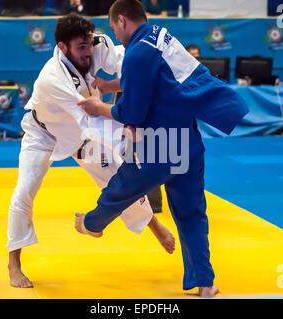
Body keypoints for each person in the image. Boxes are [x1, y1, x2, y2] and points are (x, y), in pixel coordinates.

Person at [76, 0, 248, 297]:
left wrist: (99, 107)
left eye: (115, 28)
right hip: (188, 140)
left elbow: (131, 111)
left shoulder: (137, 52)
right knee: (191, 212)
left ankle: (92, 224)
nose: (116, 36)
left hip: (162, 144)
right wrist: (110, 86)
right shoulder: (160, 36)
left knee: (122, 188)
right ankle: (205, 283)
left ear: (121, 20)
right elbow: (155, 81)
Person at [7, 14, 175, 288]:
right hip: (44, 131)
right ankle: (14, 263)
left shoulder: (96, 44)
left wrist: (145, 76)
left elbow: (127, 63)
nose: (88, 52)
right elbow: (91, 121)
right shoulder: (53, 78)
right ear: (63, 47)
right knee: (24, 190)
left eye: (88, 44)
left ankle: (154, 226)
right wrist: (131, 132)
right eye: (80, 47)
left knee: (120, 178)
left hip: (80, 133)